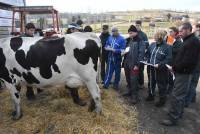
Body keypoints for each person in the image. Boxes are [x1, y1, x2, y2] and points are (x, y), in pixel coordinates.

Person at [161, 22, 200, 126]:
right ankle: (178, 113)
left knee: (177, 96)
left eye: (181, 31)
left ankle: (173, 118)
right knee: (179, 95)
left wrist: (174, 68)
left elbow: (188, 61)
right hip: (181, 72)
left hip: (184, 73)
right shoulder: (188, 40)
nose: (180, 33)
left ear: (188, 30)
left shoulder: (193, 42)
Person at [145, 30, 172, 107]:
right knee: (151, 82)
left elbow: (169, 59)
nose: (154, 37)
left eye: (156, 36)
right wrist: (146, 59)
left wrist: (160, 65)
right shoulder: (152, 44)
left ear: (160, 37)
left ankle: (162, 100)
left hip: (161, 70)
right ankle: (151, 95)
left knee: (161, 85)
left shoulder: (167, 47)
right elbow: (148, 54)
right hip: (151, 68)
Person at [123, 25, 145, 104]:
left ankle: (134, 96)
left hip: (134, 64)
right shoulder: (129, 40)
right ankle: (129, 91)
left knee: (134, 80)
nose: (130, 35)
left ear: (136, 32)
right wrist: (124, 53)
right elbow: (126, 50)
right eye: (129, 33)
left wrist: (137, 64)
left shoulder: (140, 41)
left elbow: (141, 54)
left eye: (131, 33)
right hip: (127, 62)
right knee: (128, 78)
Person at [184, 23, 200, 106]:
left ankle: (187, 101)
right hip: (197, 65)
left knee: (191, 83)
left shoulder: (196, 40)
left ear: (197, 29)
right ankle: (192, 98)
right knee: (194, 83)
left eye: (193, 28)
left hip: (195, 65)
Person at [166, 27, 183, 94]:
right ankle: (169, 88)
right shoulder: (170, 39)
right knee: (169, 77)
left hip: (174, 63)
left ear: (176, 33)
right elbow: (167, 49)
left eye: (171, 32)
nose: (169, 33)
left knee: (172, 77)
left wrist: (169, 46)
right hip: (169, 62)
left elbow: (172, 50)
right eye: (169, 31)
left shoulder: (179, 42)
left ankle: (172, 90)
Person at [135, 20, 149, 89]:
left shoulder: (144, 35)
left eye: (138, 25)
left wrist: (144, 55)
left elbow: (147, 45)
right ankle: (135, 83)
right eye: (136, 25)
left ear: (141, 26)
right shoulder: (134, 34)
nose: (137, 27)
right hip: (134, 55)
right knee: (134, 70)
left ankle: (141, 84)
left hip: (141, 55)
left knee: (140, 70)